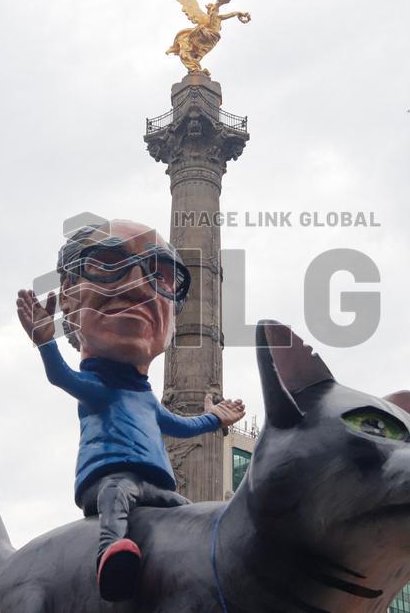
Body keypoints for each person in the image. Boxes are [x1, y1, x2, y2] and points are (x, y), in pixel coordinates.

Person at [15, 220, 245, 601]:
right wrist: (45, 344)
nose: (139, 284)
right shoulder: (98, 390)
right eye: (108, 262)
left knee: (189, 513)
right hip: (108, 481)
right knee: (116, 495)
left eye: (164, 274)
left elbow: (181, 425)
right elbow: (59, 376)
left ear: (173, 319)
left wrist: (217, 418)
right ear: (68, 299)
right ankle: (111, 555)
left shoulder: (146, 400)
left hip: (154, 488)